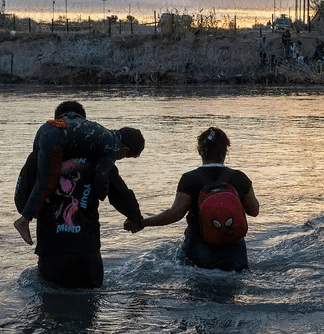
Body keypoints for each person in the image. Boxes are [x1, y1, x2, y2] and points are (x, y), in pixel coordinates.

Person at [13, 101, 146, 288]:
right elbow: (120, 194)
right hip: (87, 249)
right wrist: (135, 217)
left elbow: (21, 201)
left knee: (49, 311)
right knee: (89, 310)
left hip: (51, 249)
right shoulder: (99, 158)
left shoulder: (38, 158)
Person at [129, 127, 259, 272]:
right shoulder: (239, 178)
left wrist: (143, 222)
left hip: (199, 249)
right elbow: (254, 211)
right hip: (234, 251)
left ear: (199, 151)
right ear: (225, 151)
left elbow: (175, 214)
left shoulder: (190, 179)